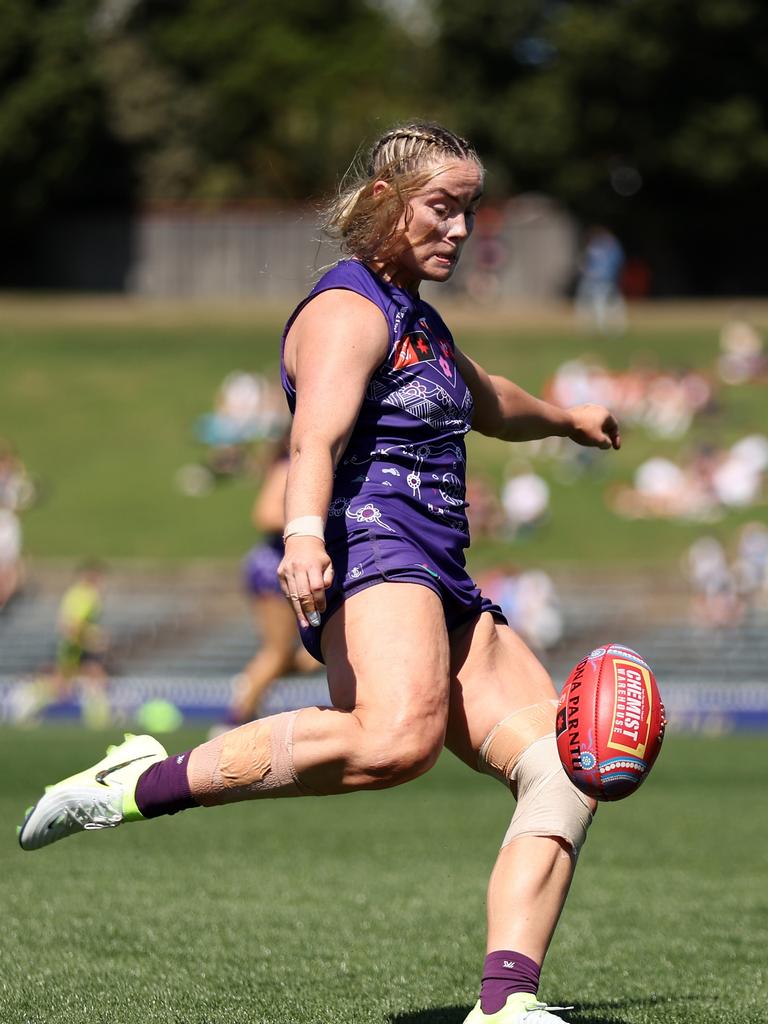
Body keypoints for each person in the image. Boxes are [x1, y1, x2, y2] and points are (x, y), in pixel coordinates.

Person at [18, 122, 620, 1024]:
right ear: (384, 203)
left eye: (469, 212)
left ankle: (507, 1004)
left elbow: (484, 395)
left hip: (443, 572)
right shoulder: (346, 311)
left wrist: (568, 418)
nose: (461, 230)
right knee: (394, 740)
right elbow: (317, 437)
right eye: (443, 209)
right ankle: (139, 784)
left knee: (562, 771)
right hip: (377, 554)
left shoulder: (420, 318)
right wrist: (304, 534)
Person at [219, 436, 321, 731]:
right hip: (276, 566)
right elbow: (265, 514)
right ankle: (231, 722)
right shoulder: (290, 467)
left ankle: (251, 683)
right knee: (277, 652)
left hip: (292, 567)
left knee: (306, 659)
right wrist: (313, 520)